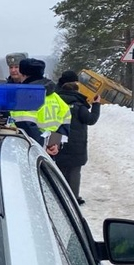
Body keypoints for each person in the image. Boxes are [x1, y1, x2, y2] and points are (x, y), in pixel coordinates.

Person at [52, 69, 101, 204]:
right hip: (76, 143)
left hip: (58, 139)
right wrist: (96, 105)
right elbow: (91, 120)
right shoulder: (79, 105)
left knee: (59, 169)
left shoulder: (55, 101)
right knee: (74, 171)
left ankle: (59, 196)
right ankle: (73, 199)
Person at [8, 57, 71, 154]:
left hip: (31, 151)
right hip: (50, 152)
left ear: (23, 74)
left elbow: (25, 125)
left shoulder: (24, 96)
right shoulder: (55, 97)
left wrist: (43, 145)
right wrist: (54, 144)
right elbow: (65, 120)